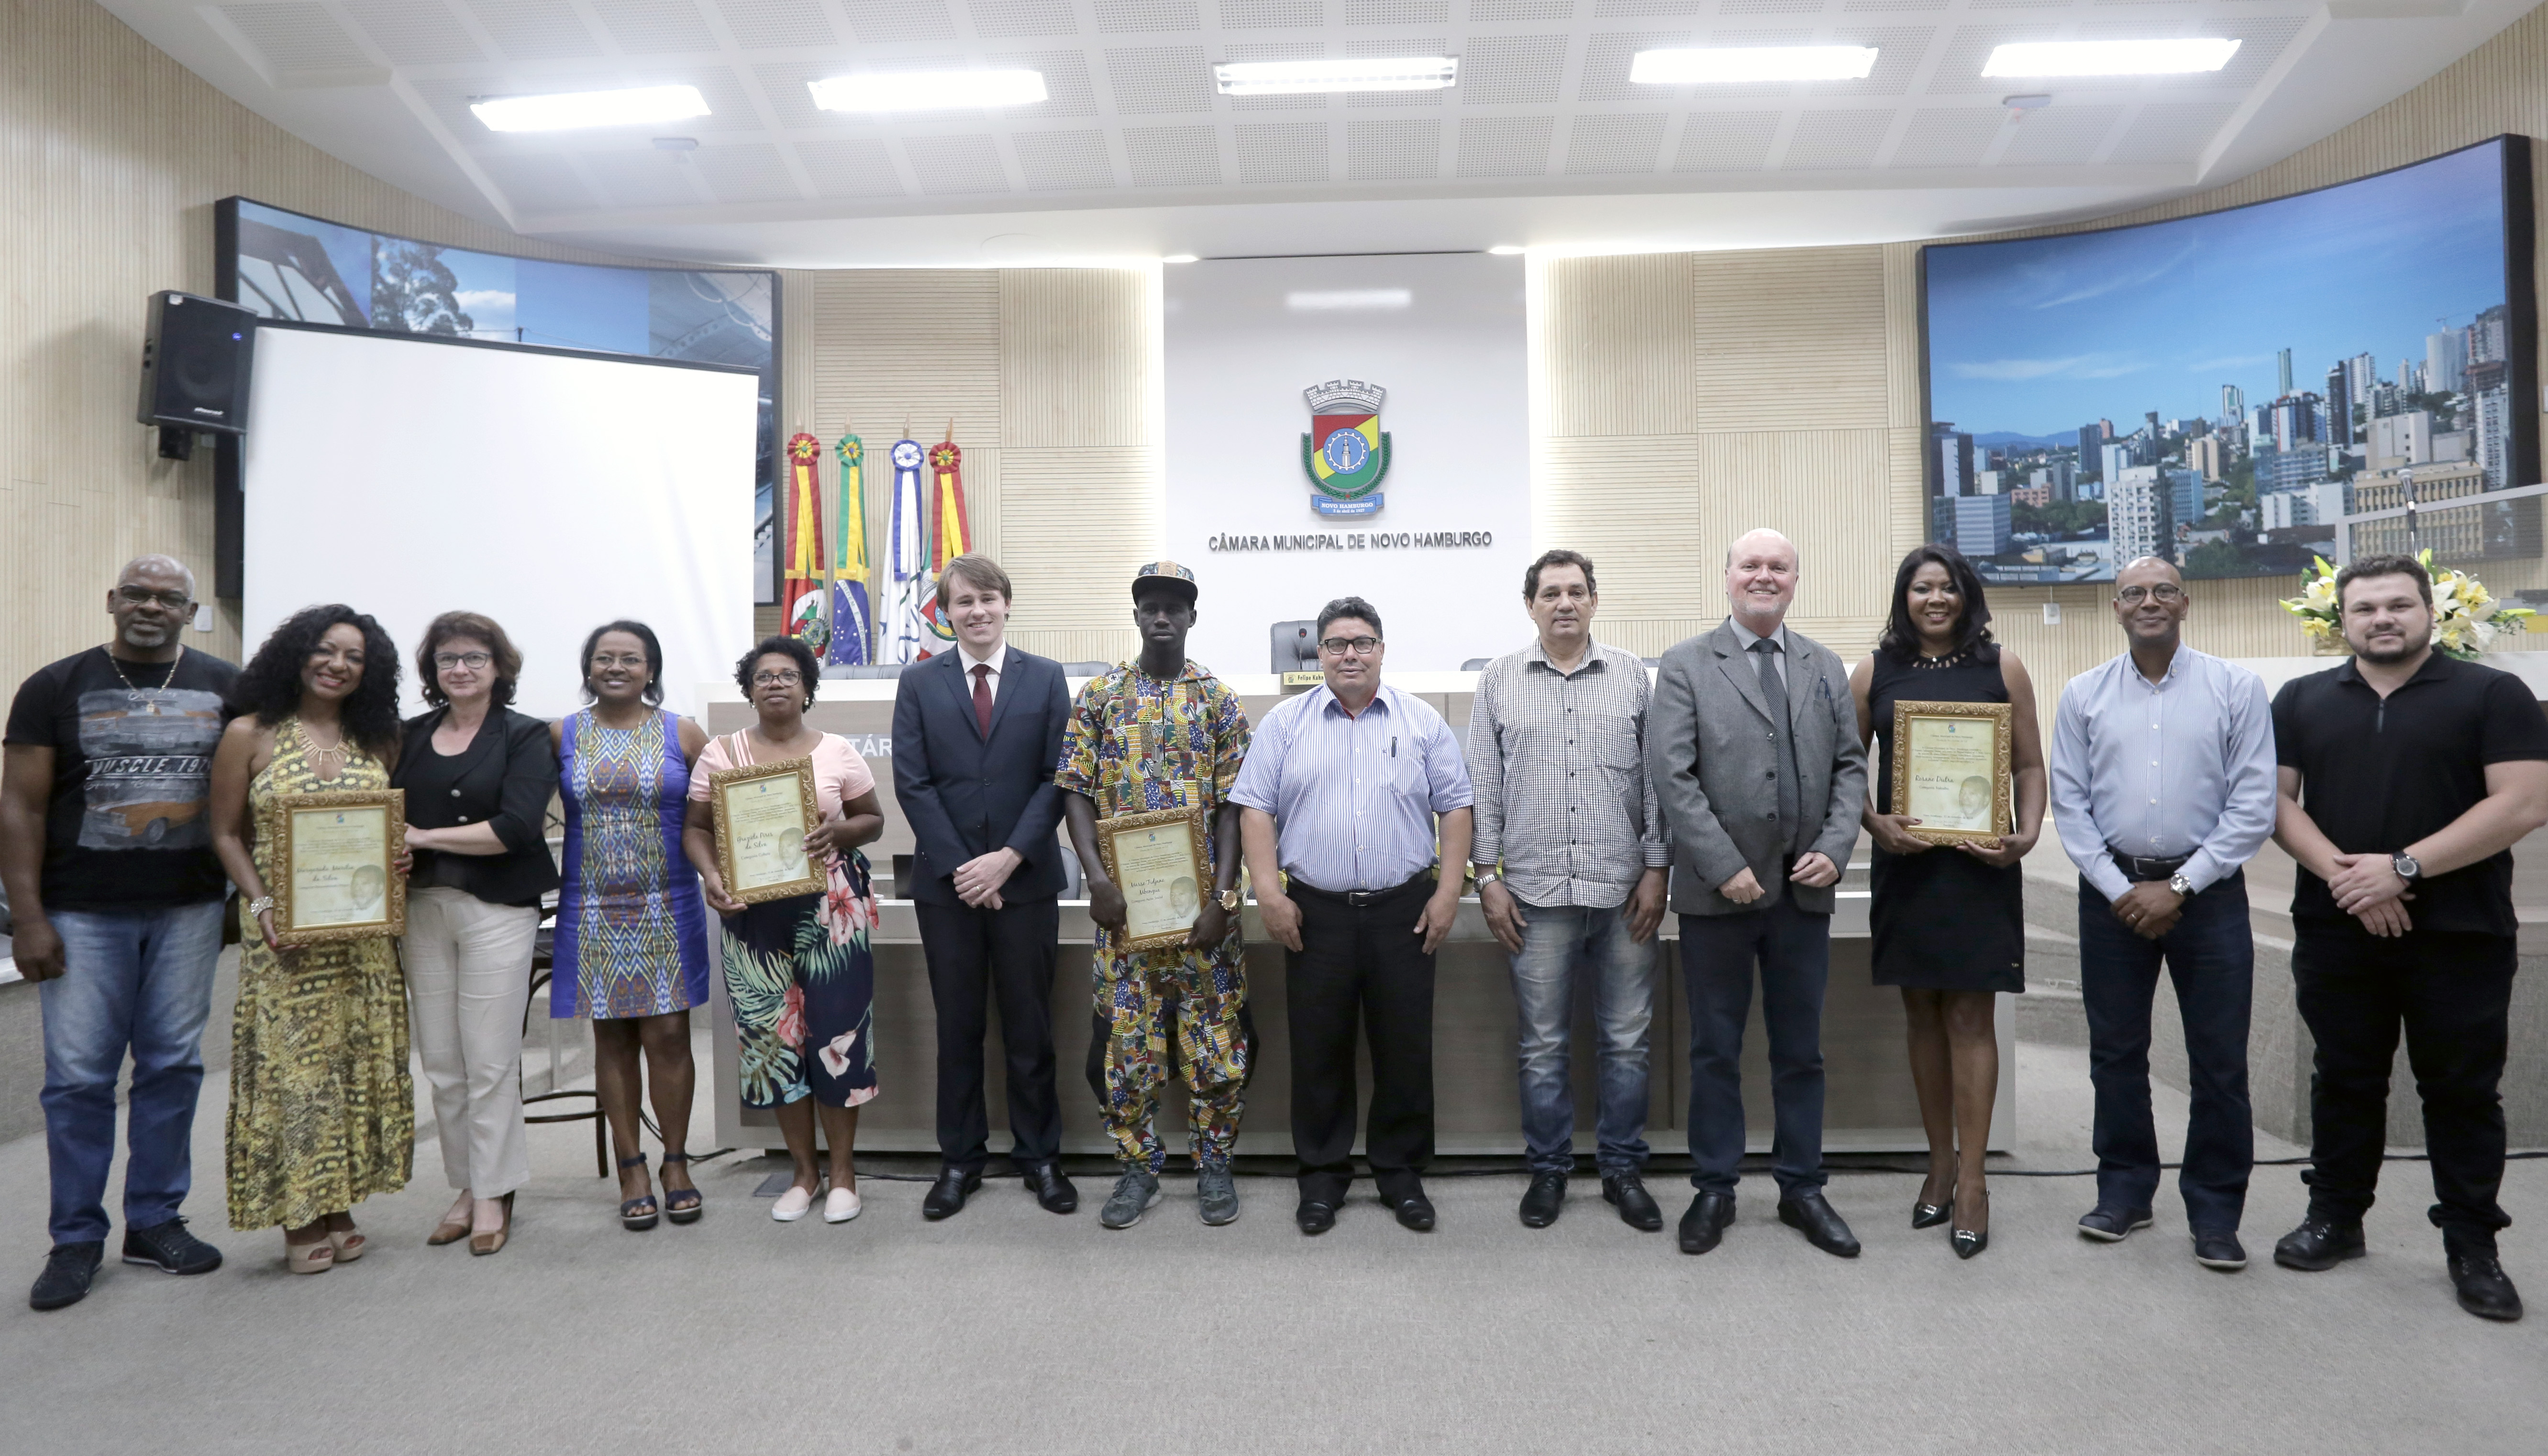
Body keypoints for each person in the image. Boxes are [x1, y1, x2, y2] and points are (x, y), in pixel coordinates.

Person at [2268, 552, 2548, 1321]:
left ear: (2428, 612)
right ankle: (2336, 1219)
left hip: (2459, 934)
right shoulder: (2300, 699)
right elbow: (2277, 804)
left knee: (2460, 1092)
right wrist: (2350, 882)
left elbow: (2524, 803)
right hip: (2336, 928)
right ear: (2342, 620)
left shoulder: (2492, 694)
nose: (2381, 619)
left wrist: (2402, 869)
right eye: (2364, 609)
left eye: (2397, 605)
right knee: (2344, 1079)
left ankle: (2472, 1245)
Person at [4, 556, 237, 1311]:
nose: (151, 606)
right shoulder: (54, 686)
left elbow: (249, 798)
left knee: (172, 1067)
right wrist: (28, 918)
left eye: (170, 598)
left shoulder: (228, 688)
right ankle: (75, 1238)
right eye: (137, 593)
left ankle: (155, 1222)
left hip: (189, 908)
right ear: (111, 600)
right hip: (80, 912)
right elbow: (21, 809)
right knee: (78, 1080)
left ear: (189, 612)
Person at [2049, 556, 2275, 1273]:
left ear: (2184, 602)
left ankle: (2214, 1211)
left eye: (2162, 591)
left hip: (2207, 898)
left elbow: (2253, 805)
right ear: (2114, 609)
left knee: (2218, 1063)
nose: (2148, 602)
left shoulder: (2235, 688)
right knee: (2115, 1055)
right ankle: (2123, 1192)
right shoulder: (2082, 695)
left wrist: (2179, 885)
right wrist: (2121, 888)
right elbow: (2070, 806)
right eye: (2133, 594)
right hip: (2111, 893)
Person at [1649, 528, 1867, 1258]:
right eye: (1751, 566)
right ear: (1727, 578)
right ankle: (1714, 1189)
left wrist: (1836, 850)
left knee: (1800, 1051)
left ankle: (1802, 1187)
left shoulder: (1822, 665)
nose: (1764, 576)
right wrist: (1720, 863)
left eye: (1778, 567)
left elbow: (1848, 769)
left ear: (1794, 581)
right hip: (1720, 899)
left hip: (1802, 897)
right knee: (1714, 1048)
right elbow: (1672, 777)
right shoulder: (1684, 665)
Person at [1233, 596, 1474, 1235]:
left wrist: (1447, 892)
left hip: (1404, 910)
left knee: (1403, 1047)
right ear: (1318, 652)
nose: (1348, 654)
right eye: (1336, 643)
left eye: (1361, 642)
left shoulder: (1422, 722)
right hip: (1314, 913)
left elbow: (1456, 808)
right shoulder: (1284, 725)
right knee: (1318, 1050)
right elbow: (1253, 808)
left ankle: (1400, 1176)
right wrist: (1269, 893)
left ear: (1381, 650)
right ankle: (1321, 1179)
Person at [1850, 544, 2046, 1260]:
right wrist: (1873, 823)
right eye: (1921, 588)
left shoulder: (2003, 667)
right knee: (1920, 1013)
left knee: (1969, 1014)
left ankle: (1971, 1181)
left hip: (1980, 869)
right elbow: (1846, 767)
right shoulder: (1874, 670)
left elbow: (2027, 763)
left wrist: (2024, 837)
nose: (1934, 599)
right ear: (1904, 597)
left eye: (1947, 588)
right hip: (1907, 869)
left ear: (1967, 596)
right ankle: (1936, 1161)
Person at [1466, 549, 1669, 1232]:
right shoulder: (1498, 680)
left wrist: (1656, 869)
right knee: (1543, 1045)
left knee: (1626, 1041)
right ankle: (1549, 1171)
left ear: (1593, 601)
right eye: (1549, 592)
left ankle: (1621, 1170)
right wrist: (1486, 880)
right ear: (1529, 605)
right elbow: (1482, 793)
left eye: (1576, 591)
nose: (1563, 603)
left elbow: (1655, 785)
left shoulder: (1633, 680)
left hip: (1622, 893)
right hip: (1534, 896)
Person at [207, 605, 414, 1273]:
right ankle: (299, 1213)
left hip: (361, 941)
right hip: (284, 938)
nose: (338, 665)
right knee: (294, 1072)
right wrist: (261, 906)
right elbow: (226, 834)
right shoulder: (250, 734)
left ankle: (339, 1204)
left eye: (354, 657)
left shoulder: (378, 739)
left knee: (354, 1068)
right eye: (326, 651)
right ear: (298, 655)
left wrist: (396, 857)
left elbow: (380, 830)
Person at [1058, 562, 1253, 1229]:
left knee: (1215, 1050)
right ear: (1136, 616)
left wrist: (1222, 899)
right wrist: (1099, 881)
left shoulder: (1218, 700)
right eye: (1150, 607)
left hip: (1203, 918)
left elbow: (1235, 808)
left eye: (1174, 607)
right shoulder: (1101, 696)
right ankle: (1137, 1168)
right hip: (1125, 919)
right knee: (1127, 1053)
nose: (1162, 616)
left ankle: (1214, 1164)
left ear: (1192, 617)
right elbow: (1075, 795)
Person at [889, 554, 1077, 1220]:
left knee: (1030, 1028)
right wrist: (968, 869)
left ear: (1006, 605)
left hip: (1024, 884)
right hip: (949, 890)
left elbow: (1058, 777)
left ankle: (1040, 1158)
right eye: (962, 602)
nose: (976, 611)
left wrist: (1006, 861)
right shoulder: (918, 683)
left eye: (987, 599)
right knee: (958, 1029)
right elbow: (913, 784)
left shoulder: (1047, 678)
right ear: (946, 613)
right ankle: (959, 1161)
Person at [684, 636, 886, 1225]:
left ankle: (844, 1174)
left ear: (807, 687)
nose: (776, 682)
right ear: (748, 688)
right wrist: (709, 875)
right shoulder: (721, 753)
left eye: (789, 674)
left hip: (831, 915)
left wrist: (840, 834)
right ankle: (803, 1173)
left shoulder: (839, 750)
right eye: (764, 674)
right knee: (773, 1042)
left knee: (837, 1036)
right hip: (751, 917)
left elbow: (872, 819)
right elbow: (696, 827)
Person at [392, 611, 559, 1256]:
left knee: (489, 1060)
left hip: (497, 908)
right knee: (442, 1061)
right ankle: (464, 1186)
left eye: (473, 658)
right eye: (447, 660)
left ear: (498, 668)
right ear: (433, 672)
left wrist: (423, 838)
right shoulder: (406, 736)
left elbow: (517, 827)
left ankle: (494, 1193)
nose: (459, 669)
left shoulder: (523, 736)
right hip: (421, 908)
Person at [552, 620, 711, 1231]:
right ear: (588, 666)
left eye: (631, 658)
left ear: (652, 669)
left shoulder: (683, 731)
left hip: (668, 904)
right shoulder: (561, 733)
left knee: (669, 1036)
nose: (616, 667)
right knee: (612, 1038)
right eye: (604, 657)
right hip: (590, 907)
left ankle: (675, 1161)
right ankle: (631, 1167)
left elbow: (724, 805)